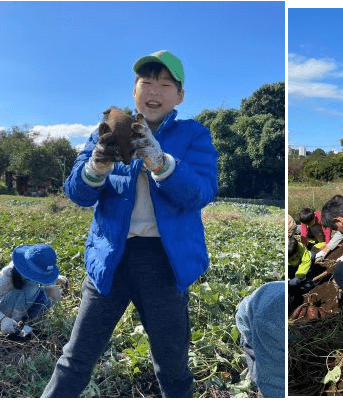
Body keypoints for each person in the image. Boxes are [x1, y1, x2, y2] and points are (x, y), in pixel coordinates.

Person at [41, 50, 218, 397]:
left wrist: (161, 161)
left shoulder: (193, 135)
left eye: (166, 84)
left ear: (179, 96)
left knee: (172, 365)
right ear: (135, 90)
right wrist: (97, 165)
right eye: (147, 82)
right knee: (76, 358)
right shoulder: (106, 130)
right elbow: (77, 193)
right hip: (111, 257)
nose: (155, 91)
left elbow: (200, 192)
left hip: (164, 264)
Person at [0, 244, 67, 336]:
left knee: (51, 292)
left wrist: (54, 280)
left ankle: (27, 322)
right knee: (32, 288)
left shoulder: (35, 274)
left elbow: (40, 278)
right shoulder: (7, 274)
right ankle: (16, 324)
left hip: (25, 302)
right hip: (8, 307)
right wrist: (2, 319)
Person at [235, 281, 285, 398]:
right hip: (250, 322)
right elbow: (275, 381)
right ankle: (255, 381)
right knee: (262, 364)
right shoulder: (272, 325)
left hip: (265, 308)